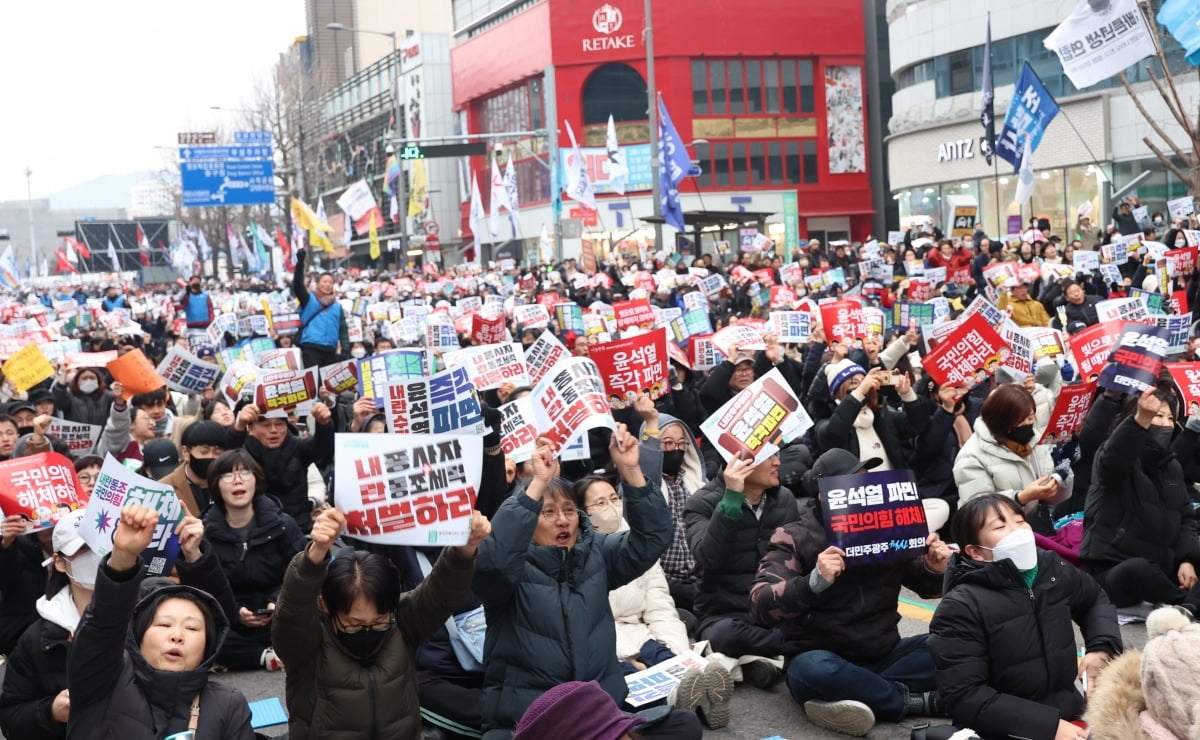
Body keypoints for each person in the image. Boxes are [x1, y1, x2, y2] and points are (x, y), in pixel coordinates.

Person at [474, 428, 688, 737]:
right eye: (547, 512)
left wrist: (630, 470)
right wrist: (537, 483)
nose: (562, 520)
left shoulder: (597, 552)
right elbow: (491, 560)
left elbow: (653, 539)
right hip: (530, 723)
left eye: (569, 510)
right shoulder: (509, 571)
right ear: (527, 521)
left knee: (681, 725)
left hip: (601, 715)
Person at [750, 449, 950, 736]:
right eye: (855, 485)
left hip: (886, 652)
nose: (866, 491)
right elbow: (760, 603)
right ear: (823, 494)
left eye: (868, 482)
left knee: (954, 642)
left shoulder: (888, 526)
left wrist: (934, 567)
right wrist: (813, 582)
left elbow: (924, 585)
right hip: (822, 655)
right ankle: (908, 701)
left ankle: (863, 693)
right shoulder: (795, 535)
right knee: (813, 671)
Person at [272, 506, 488, 739]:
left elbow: (440, 594)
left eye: (378, 622)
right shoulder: (307, 641)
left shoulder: (402, 622)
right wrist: (315, 554)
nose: (367, 631)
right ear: (325, 605)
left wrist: (465, 548)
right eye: (354, 624)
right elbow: (292, 614)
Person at [928, 494, 1122, 740]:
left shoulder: (1051, 569)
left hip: (1073, 713)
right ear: (975, 552)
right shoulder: (961, 606)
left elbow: (1094, 598)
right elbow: (966, 697)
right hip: (1004, 729)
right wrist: (1049, 727)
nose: (1017, 531)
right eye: (1000, 526)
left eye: (1020, 520)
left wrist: (1101, 647)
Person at [67, 504, 254, 739]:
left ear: (209, 644)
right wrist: (122, 559)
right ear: (138, 634)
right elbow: (101, 630)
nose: (177, 635)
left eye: (192, 627)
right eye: (164, 624)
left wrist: (194, 554)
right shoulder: (103, 682)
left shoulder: (228, 704)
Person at [1080, 386, 1200, 612]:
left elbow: (1186, 518)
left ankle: (1188, 606)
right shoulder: (1113, 455)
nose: (1165, 423)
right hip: (1115, 570)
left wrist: (1188, 560)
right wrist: (1140, 420)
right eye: (1157, 415)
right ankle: (1188, 606)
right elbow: (1114, 459)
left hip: (1165, 569)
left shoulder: (1171, 465)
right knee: (1138, 570)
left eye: (1170, 417)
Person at [684, 452, 798, 680]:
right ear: (741, 463)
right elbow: (708, 557)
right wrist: (731, 500)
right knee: (724, 636)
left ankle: (758, 659)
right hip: (725, 613)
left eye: (777, 455)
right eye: (770, 457)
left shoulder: (784, 498)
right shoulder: (701, 503)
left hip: (775, 607)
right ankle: (790, 648)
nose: (778, 462)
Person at [203, 449, 306, 671]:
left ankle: (246, 656)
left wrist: (277, 601)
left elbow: (301, 572)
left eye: (245, 473)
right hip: (232, 621)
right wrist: (236, 611)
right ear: (216, 485)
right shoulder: (206, 533)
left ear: (256, 480)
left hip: (281, 616)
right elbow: (207, 589)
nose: (238, 481)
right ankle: (263, 656)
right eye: (228, 475)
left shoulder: (283, 524)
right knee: (203, 628)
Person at [954, 383, 1068, 536]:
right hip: (1001, 536)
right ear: (1003, 421)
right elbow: (976, 510)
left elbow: (1058, 496)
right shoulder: (971, 456)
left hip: (1038, 526)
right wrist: (1020, 498)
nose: (1029, 424)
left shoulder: (1035, 439)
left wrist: (1063, 474)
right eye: (1022, 419)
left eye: (1031, 417)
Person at [636, 399, 706, 612]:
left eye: (681, 444)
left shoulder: (697, 483)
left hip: (701, 574)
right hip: (662, 578)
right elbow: (647, 475)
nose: (675, 449)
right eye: (666, 443)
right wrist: (651, 422)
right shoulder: (640, 486)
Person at [230, 401, 334, 529]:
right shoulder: (244, 452)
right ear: (250, 429)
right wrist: (239, 426)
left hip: (299, 526)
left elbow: (322, 449)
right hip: (258, 529)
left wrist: (324, 424)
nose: (273, 430)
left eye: (279, 424)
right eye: (265, 425)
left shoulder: (298, 447)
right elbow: (228, 455)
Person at [292, 248, 350, 368]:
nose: (327, 284)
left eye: (330, 282)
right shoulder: (308, 299)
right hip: (311, 348)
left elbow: (343, 330)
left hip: (330, 350)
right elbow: (297, 285)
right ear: (318, 283)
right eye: (324, 281)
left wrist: (345, 350)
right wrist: (300, 264)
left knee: (329, 385)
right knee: (315, 384)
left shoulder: (337, 306)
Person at [159, 420, 229, 516]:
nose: (211, 457)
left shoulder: (232, 483)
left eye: (218, 452)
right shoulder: (163, 489)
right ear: (186, 452)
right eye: (204, 451)